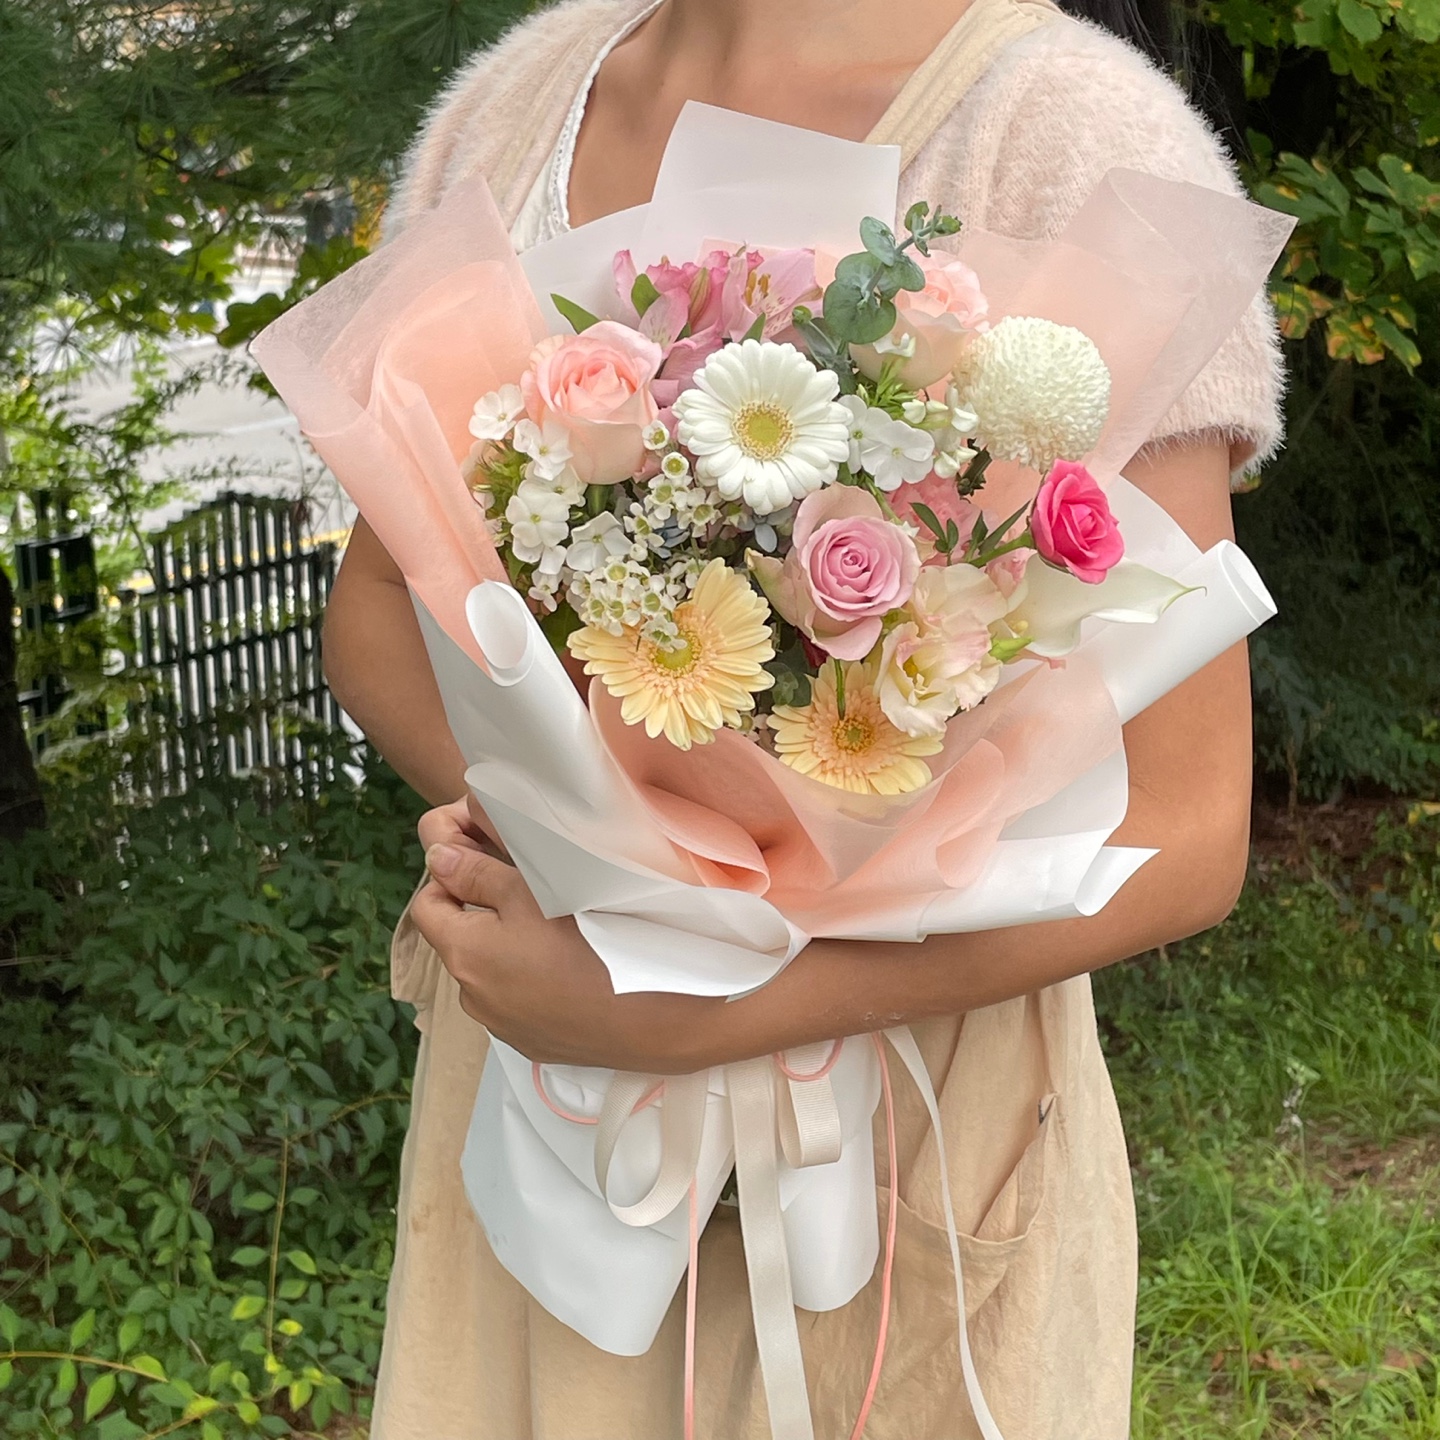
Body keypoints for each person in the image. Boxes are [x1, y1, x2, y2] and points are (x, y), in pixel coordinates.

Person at [322, 0, 1284, 1434]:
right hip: (548, 1075)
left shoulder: (1067, 131)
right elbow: (377, 603)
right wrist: (600, 871)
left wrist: (705, 997)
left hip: (905, 1126)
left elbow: (1189, 827)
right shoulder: (520, 104)